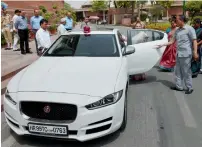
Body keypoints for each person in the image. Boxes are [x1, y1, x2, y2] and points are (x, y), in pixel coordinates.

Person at [157, 15, 198, 94]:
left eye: (177, 20)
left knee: (186, 71)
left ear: (181, 20)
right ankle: (179, 86)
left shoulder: (189, 29)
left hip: (186, 54)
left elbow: (194, 41)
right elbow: (172, 41)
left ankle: (189, 87)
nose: (175, 22)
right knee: (177, 71)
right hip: (178, 54)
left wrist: (195, 52)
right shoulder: (177, 30)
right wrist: (162, 44)